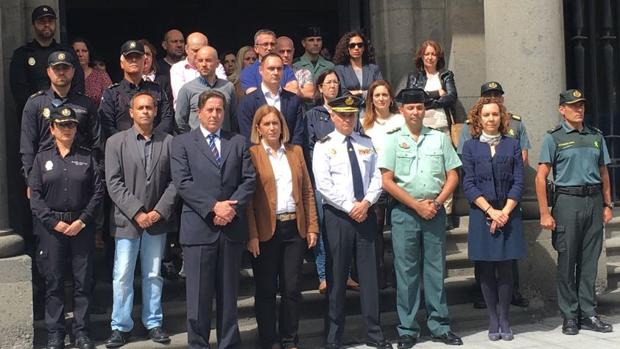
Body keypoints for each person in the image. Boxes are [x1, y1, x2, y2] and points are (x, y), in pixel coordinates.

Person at [171, 90, 256, 348]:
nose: (215, 114)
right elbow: (182, 183)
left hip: (230, 229)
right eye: (210, 109)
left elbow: (249, 180)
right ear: (199, 112)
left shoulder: (238, 142)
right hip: (199, 228)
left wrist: (230, 208)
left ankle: (229, 343)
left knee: (229, 296)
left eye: (219, 110)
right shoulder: (182, 143)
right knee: (198, 297)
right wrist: (213, 208)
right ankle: (198, 344)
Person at [379, 88, 463, 347]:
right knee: (406, 272)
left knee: (436, 270)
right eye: (410, 107)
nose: (415, 112)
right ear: (401, 110)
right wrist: (415, 205)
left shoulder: (438, 138)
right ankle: (407, 328)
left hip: (434, 212)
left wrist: (436, 203)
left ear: (425, 109)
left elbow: (453, 175)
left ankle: (439, 325)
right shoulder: (392, 139)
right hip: (405, 213)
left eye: (419, 107)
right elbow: (386, 180)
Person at [313, 95, 390, 349]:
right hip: (338, 218)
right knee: (336, 277)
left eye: (351, 115)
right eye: (342, 115)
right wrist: (349, 207)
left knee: (369, 277)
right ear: (333, 117)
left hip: (365, 215)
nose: (347, 119)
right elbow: (323, 185)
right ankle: (334, 336)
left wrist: (366, 203)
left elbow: (377, 178)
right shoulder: (323, 146)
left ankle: (374, 333)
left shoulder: (365, 143)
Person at [535, 89, 614, 335]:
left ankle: (589, 313)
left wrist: (608, 204)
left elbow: (604, 173)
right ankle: (570, 315)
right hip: (567, 202)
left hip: (593, 200)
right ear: (562, 109)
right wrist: (544, 213)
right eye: (573, 106)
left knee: (590, 262)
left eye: (581, 105)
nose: (579, 109)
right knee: (568, 262)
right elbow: (540, 177)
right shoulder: (554, 138)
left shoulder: (595, 136)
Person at [103, 92, 178, 348]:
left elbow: (175, 181)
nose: (145, 111)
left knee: (153, 273)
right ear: (131, 112)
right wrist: (137, 212)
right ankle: (120, 326)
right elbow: (113, 183)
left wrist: (158, 211)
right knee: (122, 275)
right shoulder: (115, 143)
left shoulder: (169, 142)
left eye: (149, 107)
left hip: (157, 220)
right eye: (140, 108)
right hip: (127, 221)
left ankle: (153, 322)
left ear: (156, 111)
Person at [29, 106, 104, 349]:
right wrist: (53, 222)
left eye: (71, 125)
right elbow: (35, 197)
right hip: (52, 229)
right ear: (52, 129)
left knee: (83, 282)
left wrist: (82, 220)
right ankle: (56, 333)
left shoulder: (87, 156)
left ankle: (81, 332)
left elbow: (97, 192)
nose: (67, 129)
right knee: (54, 282)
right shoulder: (42, 159)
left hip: (81, 226)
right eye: (62, 125)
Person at [246, 105, 318, 349]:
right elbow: (248, 200)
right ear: (258, 128)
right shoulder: (253, 154)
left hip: (293, 229)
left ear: (282, 126)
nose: (272, 127)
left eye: (275, 123)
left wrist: (312, 227)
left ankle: (290, 339)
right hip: (266, 230)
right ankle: (268, 340)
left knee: (292, 288)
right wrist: (252, 234)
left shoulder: (295, 151)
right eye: (266, 124)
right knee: (266, 290)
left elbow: (308, 190)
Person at [456, 81, 531, 310]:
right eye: (489, 96)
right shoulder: (469, 133)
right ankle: (484, 296)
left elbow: (522, 164)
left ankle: (512, 295)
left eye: (497, 95)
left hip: (507, 200)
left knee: (508, 260)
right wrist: (490, 210)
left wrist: (505, 210)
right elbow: (466, 173)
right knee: (485, 259)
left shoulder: (515, 127)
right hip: (483, 205)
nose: (494, 99)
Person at [304, 70, 359, 294]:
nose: (333, 86)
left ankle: (345, 274)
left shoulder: (349, 112)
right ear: (320, 87)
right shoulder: (313, 115)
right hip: (322, 181)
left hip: (346, 181)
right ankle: (324, 276)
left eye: (336, 82)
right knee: (323, 228)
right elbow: (309, 146)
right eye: (328, 82)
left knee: (345, 230)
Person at [21, 51, 103, 193]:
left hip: (81, 174)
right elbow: (28, 145)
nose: (61, 72)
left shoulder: (85, 104)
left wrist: (96, 173)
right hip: (46, 175)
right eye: (56, 68)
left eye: (65, 68)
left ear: (73, 71)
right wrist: (31, 179)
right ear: (48, 71)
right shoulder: (35, 103)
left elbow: (97, 142)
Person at [405, 40, 459, 225]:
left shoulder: (445, 74)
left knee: (445, 169)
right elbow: (412, 97)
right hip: (420, 126)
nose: (430, 57)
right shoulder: (414, 77)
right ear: (421, 56)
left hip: (441, 124)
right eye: (427, 54)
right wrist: (438, 94)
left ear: (438, 57)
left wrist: (429, 101)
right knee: (425, 167)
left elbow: (451, 96)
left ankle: (447, 211)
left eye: (433, 54)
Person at [361, 80, 404, 289]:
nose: (381, 99)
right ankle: (378, 276)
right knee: (375, 231)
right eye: (377, 95)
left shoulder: (400, 120)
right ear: (371, 99)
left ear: (390, 98)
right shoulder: (364, 124)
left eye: (385, 95)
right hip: (375, 184)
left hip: (398, 182)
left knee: (398, 229)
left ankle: (399, 276)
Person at [10, 5, 84, 115]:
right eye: (42, 21)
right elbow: (20, 92)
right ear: (33, 25)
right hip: (35, 115)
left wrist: (64, 111)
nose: (47, 25)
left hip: (67, 116)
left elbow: (78, 84)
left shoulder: (67, 52)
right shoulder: (22, 54)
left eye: (50, 21)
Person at [99, 40, 174, 139]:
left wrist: (151, 138)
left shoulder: (157, 90)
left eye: (138, 57)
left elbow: (167, 118)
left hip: (155, 145)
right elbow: (106, 124)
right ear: (122, 63)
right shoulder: (111, 93)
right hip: (123, 148)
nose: (134, 60)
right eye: (129, 57)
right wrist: (127, 143)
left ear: (144, 61)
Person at [237, 53, 304, 145]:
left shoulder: (293, 100)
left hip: (288, 155)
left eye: (279, 69)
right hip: (259, 157)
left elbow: (298, 134)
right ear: (260, 70)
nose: (276, 72)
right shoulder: (247, 102)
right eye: (271, 69)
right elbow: (248, 137)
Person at [175, 46, 237, 134]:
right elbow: (180, 121)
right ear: (196, 63)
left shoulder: (228, 87)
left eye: (208, 60)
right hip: (196, 144)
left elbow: (234, 118)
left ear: (217, 63)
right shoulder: (187, 89)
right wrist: (192, 139)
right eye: (200, 61)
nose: (204, 64)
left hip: (224, 143)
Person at [169, 32, 226, 107]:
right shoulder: (177, 68)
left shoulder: (217, 66)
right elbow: (182, 97)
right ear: (186, 49)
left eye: (202, 49)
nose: (199, 54)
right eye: (195, 50)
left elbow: (223, 91)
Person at [240, 29, 298, 95]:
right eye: (265, 44)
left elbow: (293, 91)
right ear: (256, 48)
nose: (269, 48)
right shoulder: (248, 72)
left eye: (272, 44)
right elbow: (255, 96)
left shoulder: (286, 69)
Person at [333, 31, 383, 101]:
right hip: (350, 108)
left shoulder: (373, 68)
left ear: (364, 48)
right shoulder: (340, 69)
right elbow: (342, 92)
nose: (356, 48)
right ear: (347, 48)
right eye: (352, 45)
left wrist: (357, 92)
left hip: (371, 107)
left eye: (360, 45)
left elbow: (380, 89)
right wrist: (366, 92)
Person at [72, 38, 112, 107]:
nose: (80, 54)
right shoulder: (67, 75)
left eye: (84, 51)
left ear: (89, 53)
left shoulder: (101, 76)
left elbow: (111, 99)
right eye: (77, 51)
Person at [276, 36, 314, 100]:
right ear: (274, 52)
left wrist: (280, 90)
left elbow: (310, 93)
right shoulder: (270, 72)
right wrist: (298, 91)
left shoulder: (303, 72)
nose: (286, 55)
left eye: (289, 51)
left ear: (293, 51)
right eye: (282, 51)